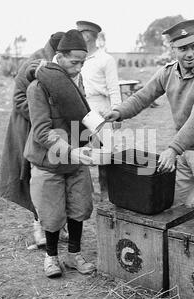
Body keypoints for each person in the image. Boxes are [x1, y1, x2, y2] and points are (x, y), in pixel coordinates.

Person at [105, 19, 194, 210]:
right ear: (173, 49)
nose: (190, 54)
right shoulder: (167, 72)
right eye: (183, 49)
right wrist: (119, 112)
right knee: (172, 203)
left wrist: (172, 149)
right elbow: (142, 97)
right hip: (183, 148)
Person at [24, 29, 96, 278]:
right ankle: (51, 257)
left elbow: (82, 118)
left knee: (79, 207)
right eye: (73, 62)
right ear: (60, 57)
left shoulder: (76, 83)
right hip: (49, 162)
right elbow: (42, 132)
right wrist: (71, 152)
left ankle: (74, 255)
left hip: (76, 161)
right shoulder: (38, 88)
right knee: (52, 214)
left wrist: (93, 140)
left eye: (82, 63)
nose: (78, 68)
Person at [0, 32, 65, 247]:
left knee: (57, 173)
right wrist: (43, 114)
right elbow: (19, 99)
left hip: (53, 128)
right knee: (33, 176)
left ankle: (57, 224)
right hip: (28, 129)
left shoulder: (63, 65)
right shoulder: (33, 63)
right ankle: (39, 224)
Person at [76, 20, 122, 200]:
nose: (79, 36)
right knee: (79, 149)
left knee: (104, 153)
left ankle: (106, 191)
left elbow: (113, 89)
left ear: (90, 35)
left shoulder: (105, 59)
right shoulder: (77, 59)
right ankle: (83, 191)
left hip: (101, 109)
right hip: (80, 107)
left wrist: (118, 114)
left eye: (82, 33)